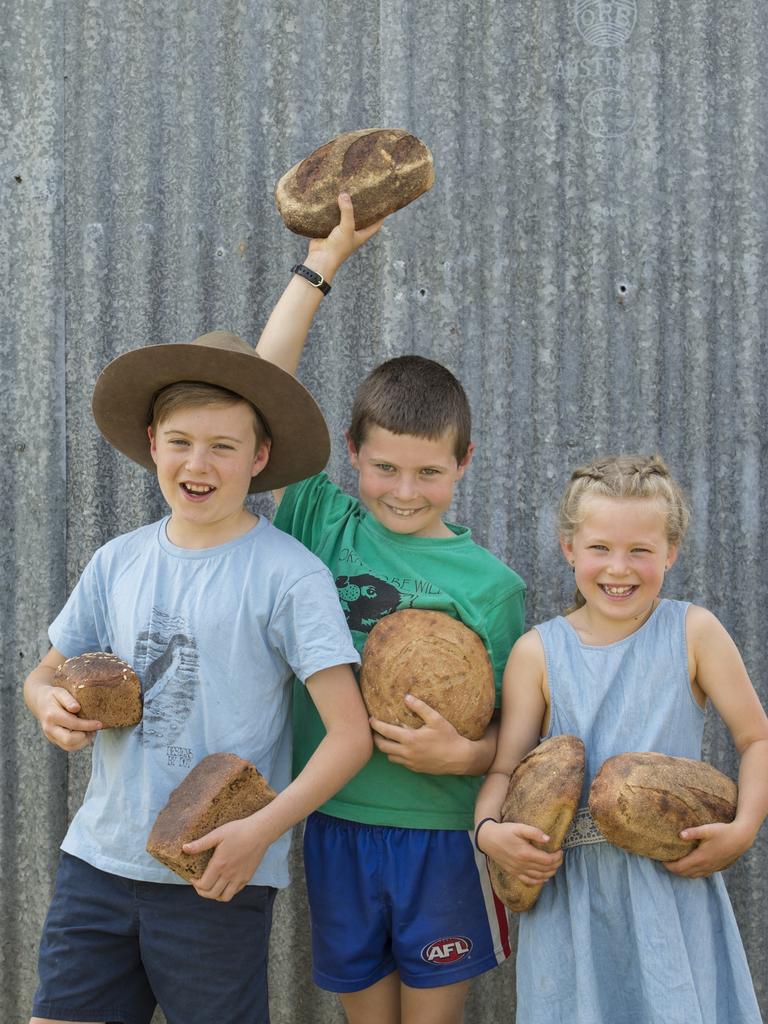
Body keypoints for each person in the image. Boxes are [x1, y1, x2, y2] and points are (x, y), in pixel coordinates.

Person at [23, 330, 373, 1024]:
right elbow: (45, 676)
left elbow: (349, 737)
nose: (199, 462)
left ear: (260, 457)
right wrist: (47, 705)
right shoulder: (117, 561)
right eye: (181, 441)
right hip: (98, 861)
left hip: (215, 873)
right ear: (153, 443)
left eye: (224, 446)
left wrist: (260, 833)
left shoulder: (288, 574)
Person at [255, 196, 527, 1024]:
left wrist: (464, 757)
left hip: (442, 841)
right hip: (334, 823)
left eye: (427, 473)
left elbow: (520, 740)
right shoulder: (321, 521)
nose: (403, 492)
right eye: (384, 469)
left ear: (464, 463)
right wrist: (320, 265)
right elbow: (264, 390)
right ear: (349, 454)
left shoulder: (492, 585)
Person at [475, 453, 768, 1024]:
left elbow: (756, 738)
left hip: (670, 889)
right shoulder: (539, 652)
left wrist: (745, 828)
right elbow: (504, 770)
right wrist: (488, 834)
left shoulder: (694, 632)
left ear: (671, 552)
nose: (619, 568)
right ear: (569, 549)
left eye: (640, 550)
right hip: (571, 900)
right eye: (600, 548)